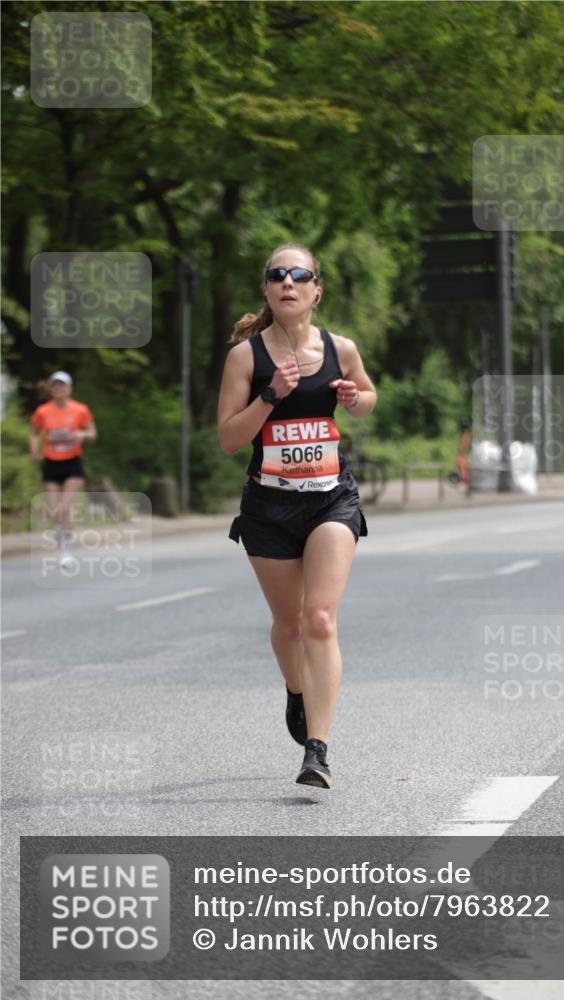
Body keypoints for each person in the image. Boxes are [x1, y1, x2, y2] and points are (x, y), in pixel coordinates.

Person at [218, 243, 377, 788]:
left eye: (299, 275)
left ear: (316, 289)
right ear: (266, 289)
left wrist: (356, 398)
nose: (288, 282)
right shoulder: (246, 357)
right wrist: (269, 395)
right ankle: (296, 691)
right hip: (269, 504)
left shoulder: (341, 348)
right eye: (276, 275)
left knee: (320, 619)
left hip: (331, 496)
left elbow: (368, 395)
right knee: (289, 625)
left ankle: (318, 749)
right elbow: (228, 438)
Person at [30, 371, 97, 567]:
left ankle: (66, 551)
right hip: (51, 462)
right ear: (51, 389)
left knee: (65, 507)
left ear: (70, 389)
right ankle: (59, 529)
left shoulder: (80, 410)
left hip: (72, 462)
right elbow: (34, 434)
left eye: (62, 385)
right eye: (55, 386)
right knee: (53, 510)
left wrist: (81, 435)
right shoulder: (43, 411)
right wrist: (34, 450)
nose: (59, 389)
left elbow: (93, 433)